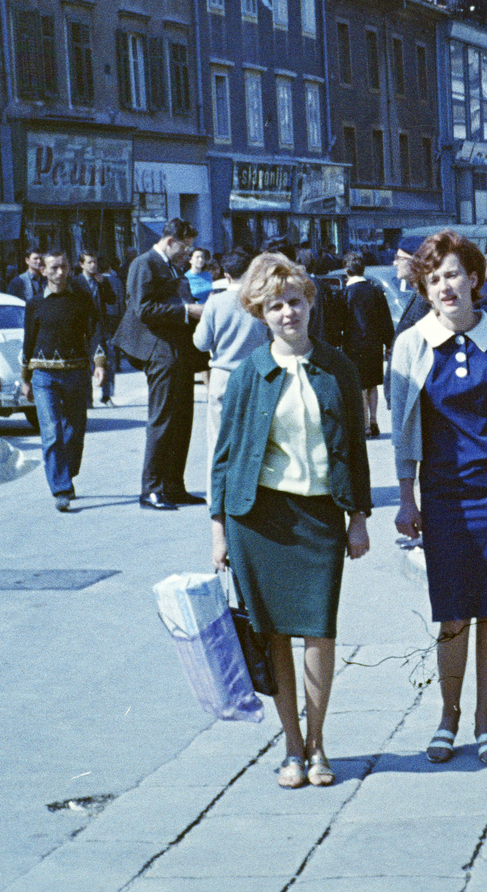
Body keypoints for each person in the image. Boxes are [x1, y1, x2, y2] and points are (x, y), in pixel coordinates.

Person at [210, 253, 372, 789]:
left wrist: (359, 516)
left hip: (320, 516)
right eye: (275, 305)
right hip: (260, 519)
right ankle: (292, 747)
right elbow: (225, 455)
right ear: (261, 313)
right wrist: (217, 530)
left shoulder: (338, 368)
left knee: (319, 633)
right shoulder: (248, 375)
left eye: (295, 301)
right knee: (274, 634)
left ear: (310, 303)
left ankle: (320, 743)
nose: (287, 313)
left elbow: (356, 450)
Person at [389, 231, 487, 767]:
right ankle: (447, 716)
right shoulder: (411, 344)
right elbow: (402, 431)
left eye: (453, 274)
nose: (444, 287)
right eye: (433, 279)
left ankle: (486, 720)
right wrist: (406, 498)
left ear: (475, 278)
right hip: (444, 495)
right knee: (453, 611)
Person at [116, 218, 206, 511]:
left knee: (181, 420)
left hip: (177, 351)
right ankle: (151, 488)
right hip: (158, 351)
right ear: (169, 241)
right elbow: (142, 308)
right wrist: (186, 310)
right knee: (163, 419)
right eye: (185, 247)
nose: (187, 253)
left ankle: (174, 485)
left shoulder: (169, 265)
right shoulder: (145, 263)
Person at [21, 251, 106, 512]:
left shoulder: (82, 300)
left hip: (76, 373)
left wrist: (99, 363)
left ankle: (66, 473)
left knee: (75, 431)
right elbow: (28, 342)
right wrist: (25, 378)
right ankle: (61, 488)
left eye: (64, 267)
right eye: (54, 268)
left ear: (70, 269)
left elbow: (95, 333)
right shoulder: (35, 304)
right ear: (44, 271)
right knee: (51, 431)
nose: (60, 272)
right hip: (43, 376)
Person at [193, 248, 270, 488]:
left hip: (222, 377)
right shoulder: (259, 302)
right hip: (256, 375)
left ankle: (216, 497)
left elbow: (201, 342)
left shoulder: (215, 302)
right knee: (255, 439)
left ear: (226, 275)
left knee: (218, 441)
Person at [339, 252, 394, 437]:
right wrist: (389, 343)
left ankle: (364, 426)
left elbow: (340, 322)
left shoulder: (345, 293)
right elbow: (385, 319)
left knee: (359, 386)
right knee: (372, 385)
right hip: (374, 343)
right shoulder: (375, 290)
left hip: (354, 345)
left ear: (347, 270)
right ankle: (373, 420)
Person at [72, 252, 119, 404]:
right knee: (86, 363)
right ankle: (87, 397)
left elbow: (112, 300)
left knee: (109, 359)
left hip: (102, 326)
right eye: (90, 262)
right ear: (82, 264)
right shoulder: (76, 282)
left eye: (95, 262)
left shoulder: (102, 280)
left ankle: (106, 395)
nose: (93, 265)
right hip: (84, 327)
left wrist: (103, 284)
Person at [391, 236, 432, 338]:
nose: (395, 263)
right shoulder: (418, 292)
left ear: (415, 261)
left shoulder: (425, 298)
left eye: (399, 258)